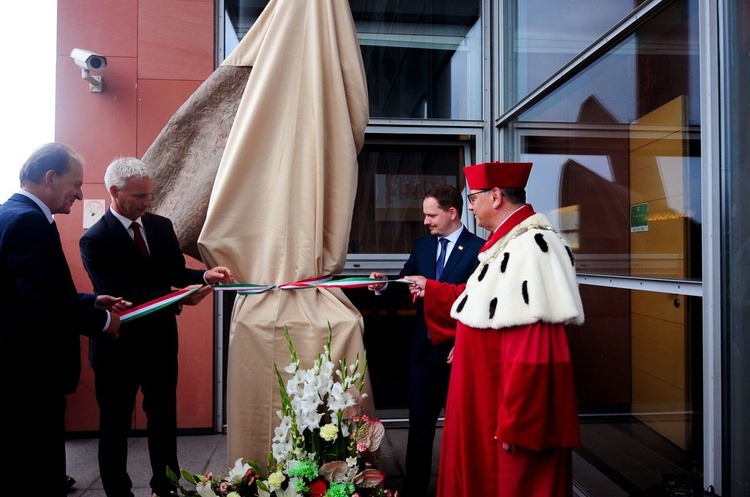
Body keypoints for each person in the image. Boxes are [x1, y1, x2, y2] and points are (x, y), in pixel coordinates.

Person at [405, 161, 584, 497]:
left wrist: (519, 423)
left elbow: (538, 347)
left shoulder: (532, 247)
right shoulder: (508, 243)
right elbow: (485, 306)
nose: (470, 207)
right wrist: (437, 294)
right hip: (487, 403)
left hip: (504, 415)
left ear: (497, 196)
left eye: (473, 198)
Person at [79, 156, 235, 497]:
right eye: (139, 197)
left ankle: (165, 486)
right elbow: (121, 293)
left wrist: (204, 275)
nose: (148, 202)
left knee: (164, 418)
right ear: (114, 192)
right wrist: (177, 299)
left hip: (161, 342)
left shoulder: (161, 226)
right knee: (115, 424)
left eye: (150, 195)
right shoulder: (94, 240)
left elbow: (176, 273)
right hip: (117, 347)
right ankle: (118, 491)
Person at [0, 142, 128, 497]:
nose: (78, 193)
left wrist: (90, 299)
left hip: (17, 367)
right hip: (32, 370)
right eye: (76, 184)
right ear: (50, 177)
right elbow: (44, 305)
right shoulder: (29, 222)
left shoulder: (8, 213)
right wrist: (103, 322)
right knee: (38, 464)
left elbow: (28, 292)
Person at [367, 184, 483, 497]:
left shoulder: (480, 249)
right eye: (425, 215)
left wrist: (465, 341)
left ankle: (463, 487)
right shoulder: (423, 246)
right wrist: (381, 286)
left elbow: (480, 302)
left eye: (431, 215)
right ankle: (416, 489)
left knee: (465, 429)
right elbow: (407, 281)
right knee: (419, 426)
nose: (426, 221)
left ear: (452, 213)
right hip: (423, 352)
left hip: (459, 352)